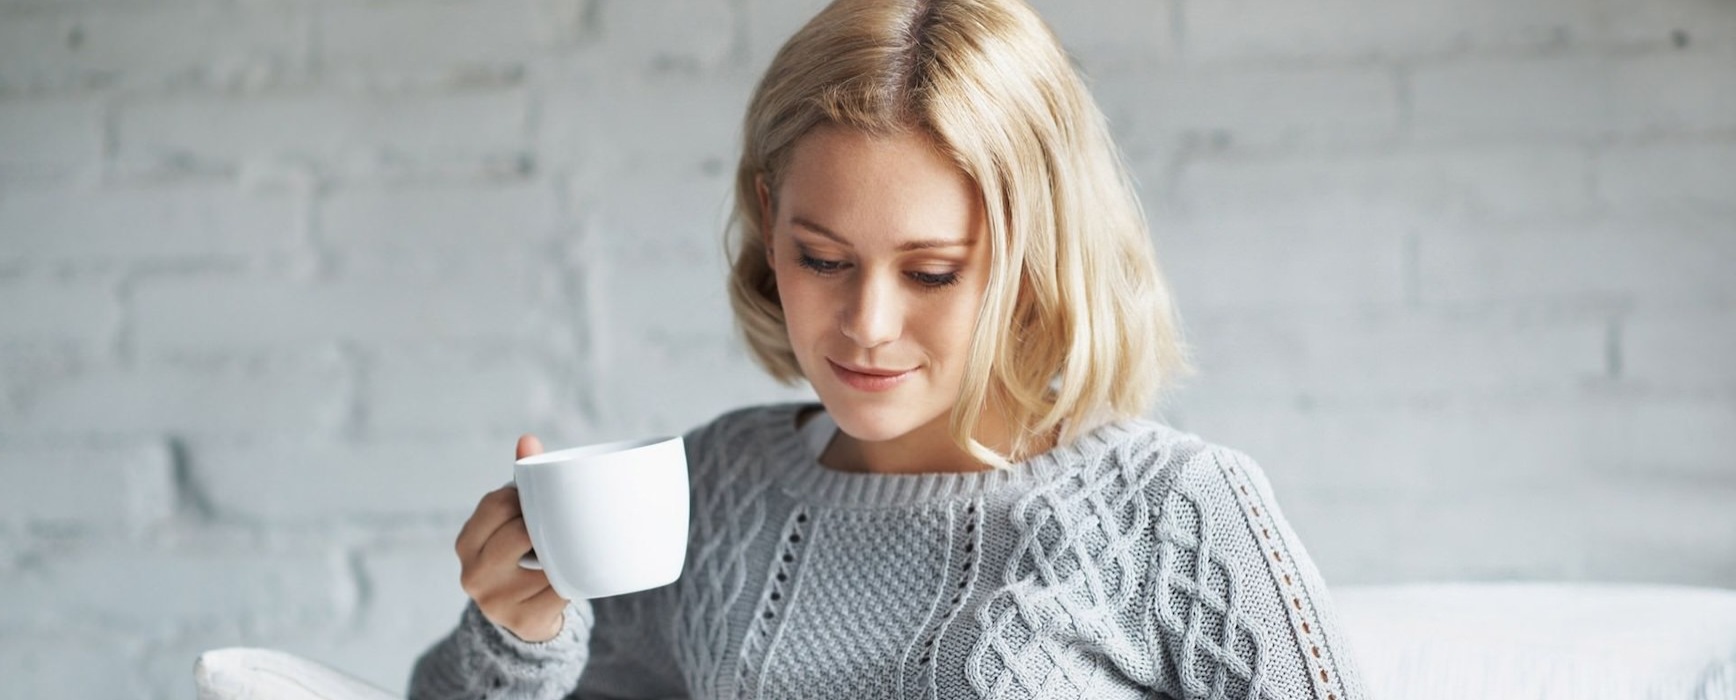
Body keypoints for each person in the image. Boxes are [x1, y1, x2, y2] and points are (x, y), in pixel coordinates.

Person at [409, 0, 1370, 698]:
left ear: (1038, 258)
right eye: (823, 259)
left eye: (933, 272)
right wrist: (518, 629)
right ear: (765, 222)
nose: (867, 324)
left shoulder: (1173, 513)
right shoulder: (714, 493)